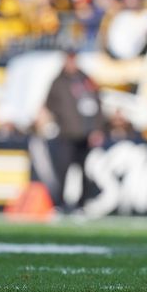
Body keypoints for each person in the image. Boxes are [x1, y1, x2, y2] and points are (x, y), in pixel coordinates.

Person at [42, 49, 106, 212]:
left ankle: (82, 204)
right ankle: (59, 204)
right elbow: (48, 105)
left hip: (85, 135)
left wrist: (97, 129)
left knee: (85, 171)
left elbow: (97, 105)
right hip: (66, 134)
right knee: (62, 171)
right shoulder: (58, 81)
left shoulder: (86, 80)